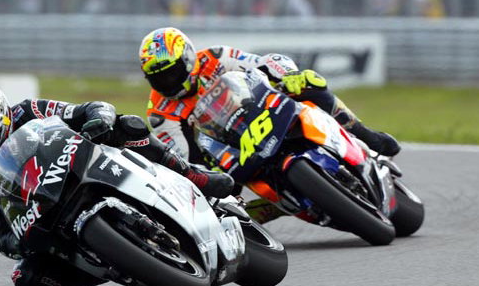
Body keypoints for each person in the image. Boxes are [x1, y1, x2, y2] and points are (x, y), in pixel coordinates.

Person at [0, 79, 233, 286]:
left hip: (80, 165)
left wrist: (100, 120)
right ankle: (112, 263)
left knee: (126, 125)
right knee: (27, 280)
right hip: (46, 217)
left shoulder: (28, 110)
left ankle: (191, 174)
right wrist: (19, 242)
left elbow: (87, 109)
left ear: (0, 116)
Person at [138, 27, 401, 221]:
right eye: (158, 78)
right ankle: (253, 215)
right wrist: (207, 176)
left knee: (310, 85)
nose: (167, 82)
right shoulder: (159, 113)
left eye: (171, 72)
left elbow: (263, 62)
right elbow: (184, 157)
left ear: (187, 59)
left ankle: (367, 136)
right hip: (226, 151)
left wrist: (289, 75)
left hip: (259, 111)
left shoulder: (214, 57)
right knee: (211, 192)